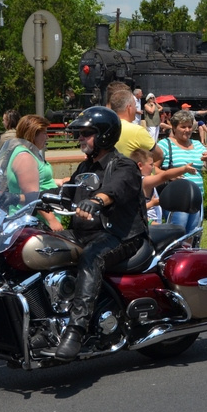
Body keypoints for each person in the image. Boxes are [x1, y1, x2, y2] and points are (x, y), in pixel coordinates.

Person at [55, 106, 148, 361]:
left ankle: (76, 330)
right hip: (85, 233)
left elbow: (115, 189)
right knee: (44, 246)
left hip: (121, 236)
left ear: (104, 135)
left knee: (91, 257)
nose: (81, 138)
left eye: (87, 133)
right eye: (81, 134)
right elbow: (69, 191)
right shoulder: (85, 167)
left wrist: (97, 200)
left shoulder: (124, 166)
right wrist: (44, 198)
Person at [157, 109, 207, 247]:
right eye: (183, 127)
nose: (187, 130)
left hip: (196, 198)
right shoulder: (165, 145)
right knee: (177, 234)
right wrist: (170, 176)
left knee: (193, 235)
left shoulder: (197, 144)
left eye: (190, 126)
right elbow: (153, 168)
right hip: (176, 199)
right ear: (174, 128)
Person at [8, 115, 64, 230]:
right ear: (33, 133)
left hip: (37, 220)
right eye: (44, 133)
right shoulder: (25, 157)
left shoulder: (32, 152)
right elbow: (32, 196)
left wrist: (60, 181)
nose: (47, 137)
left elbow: (37, 180)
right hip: (33, 222)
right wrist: (52, 221)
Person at [131, 148, 196, 226]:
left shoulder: (136, 181)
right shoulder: (144, 181)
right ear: (140, 166)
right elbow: (164, 176)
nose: (153, 168)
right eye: (151, 165)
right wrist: (184, 169)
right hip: (149, 226)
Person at [110, 88, 163, 164]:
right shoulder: (137, 131)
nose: (136, 109)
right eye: (135, 105)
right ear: (129, 108)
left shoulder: (106, 128)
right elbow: (159, 155)